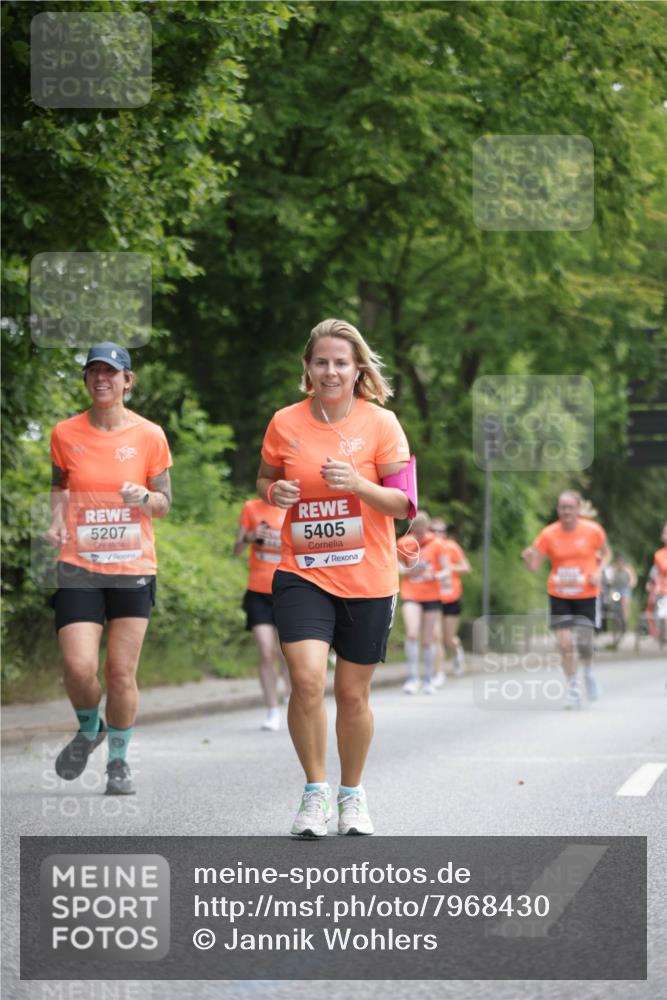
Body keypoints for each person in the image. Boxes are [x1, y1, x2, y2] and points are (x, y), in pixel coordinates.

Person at [257, 318, 411, 838]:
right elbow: (266, 478)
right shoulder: (284, 422)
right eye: (321, 361)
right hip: (302, 571)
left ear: (357, 368)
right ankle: (314, 792)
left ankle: (352, 794)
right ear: (308, 367)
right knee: (305, 681)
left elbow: (406, 502)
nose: (330, 370)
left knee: (351, 696)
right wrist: (273, 495)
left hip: (368, 577)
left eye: (340, 362)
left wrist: (361, 485)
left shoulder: (382, 424)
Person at [46, 343, 172, 794]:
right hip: (78, 565)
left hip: (132, 566)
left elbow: (165, 502)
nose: (102, 379)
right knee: (79, 667)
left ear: (127, 381)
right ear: (86, 380)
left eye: (111, 372)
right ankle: (88, 728)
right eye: (94, 372)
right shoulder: (64, 433)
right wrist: (57, 521)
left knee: (120, 672)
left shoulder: (149, 435)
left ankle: (118, 763)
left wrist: (144, 498)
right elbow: (60, 486)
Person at [522, 491, 610, 709]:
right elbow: (534, 567)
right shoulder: (548, 534)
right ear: (558, 510)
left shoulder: (593, 530)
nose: (566, 511)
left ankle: (588, 673)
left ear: (578, 509)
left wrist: (599, 571)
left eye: (570, 507)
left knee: (585, 643)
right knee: (565, 643)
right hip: (559, 593)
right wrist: (527, 559)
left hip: (587, 593)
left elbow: (606, 554)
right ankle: (572, 688)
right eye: (562, 507)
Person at [233, 497, 290, 730]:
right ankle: (272, 710)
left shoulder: (293, 506)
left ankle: (291, 696)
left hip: (289, 590)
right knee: (267, 653)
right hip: (258, 591)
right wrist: (249, 536)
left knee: (288, 653)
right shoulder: (251, 508)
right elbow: (235, 549)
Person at [399, 512, 450, 695]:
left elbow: (447, 571)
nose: (419, 534)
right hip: (411, 593)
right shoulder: (404, 543)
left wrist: (435, 575)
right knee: (412, 633)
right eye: (416, 530)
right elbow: (397, 567)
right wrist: (409, 571)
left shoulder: (437, 544)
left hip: (431, 596)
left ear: (427, 527)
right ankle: (412, 677)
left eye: (422, 530)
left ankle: (428, 678)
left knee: (428, 640)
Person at [430, 517, 471, 677]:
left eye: (441, 531)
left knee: (448, 638)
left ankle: (456, 653)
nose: (437, 534)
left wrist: (448, 567)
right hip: (434, 597)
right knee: (436, 636)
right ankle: (438, 673)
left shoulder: (451, 547)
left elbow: (466, 567)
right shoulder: (427, 548)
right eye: (433, 530)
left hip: (451, 597)